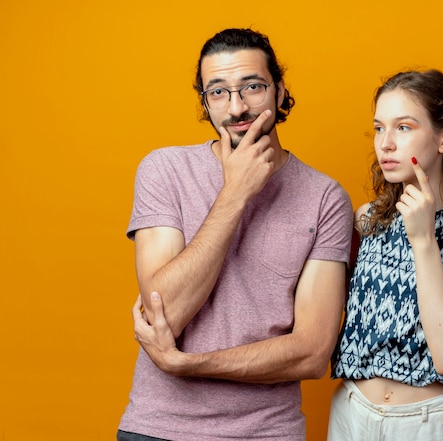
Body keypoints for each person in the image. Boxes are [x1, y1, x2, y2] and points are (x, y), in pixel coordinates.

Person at [117, 28, 354, 441]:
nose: (237, 107)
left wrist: (189, 364)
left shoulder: (324, 198)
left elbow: (313, 353)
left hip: (268, 434)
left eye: (253, 87)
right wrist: (235, 193)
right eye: (218, 93)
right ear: (204, 102)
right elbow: (165, 314)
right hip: (159, 430)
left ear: (280, 92)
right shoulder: (164, 171)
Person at [328, 69, 443, 440]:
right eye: (379, 128)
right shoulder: (366, 219)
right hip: (350, 413)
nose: (385, 144)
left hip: (427, 422)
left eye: (404, 127)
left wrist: (424, 240)